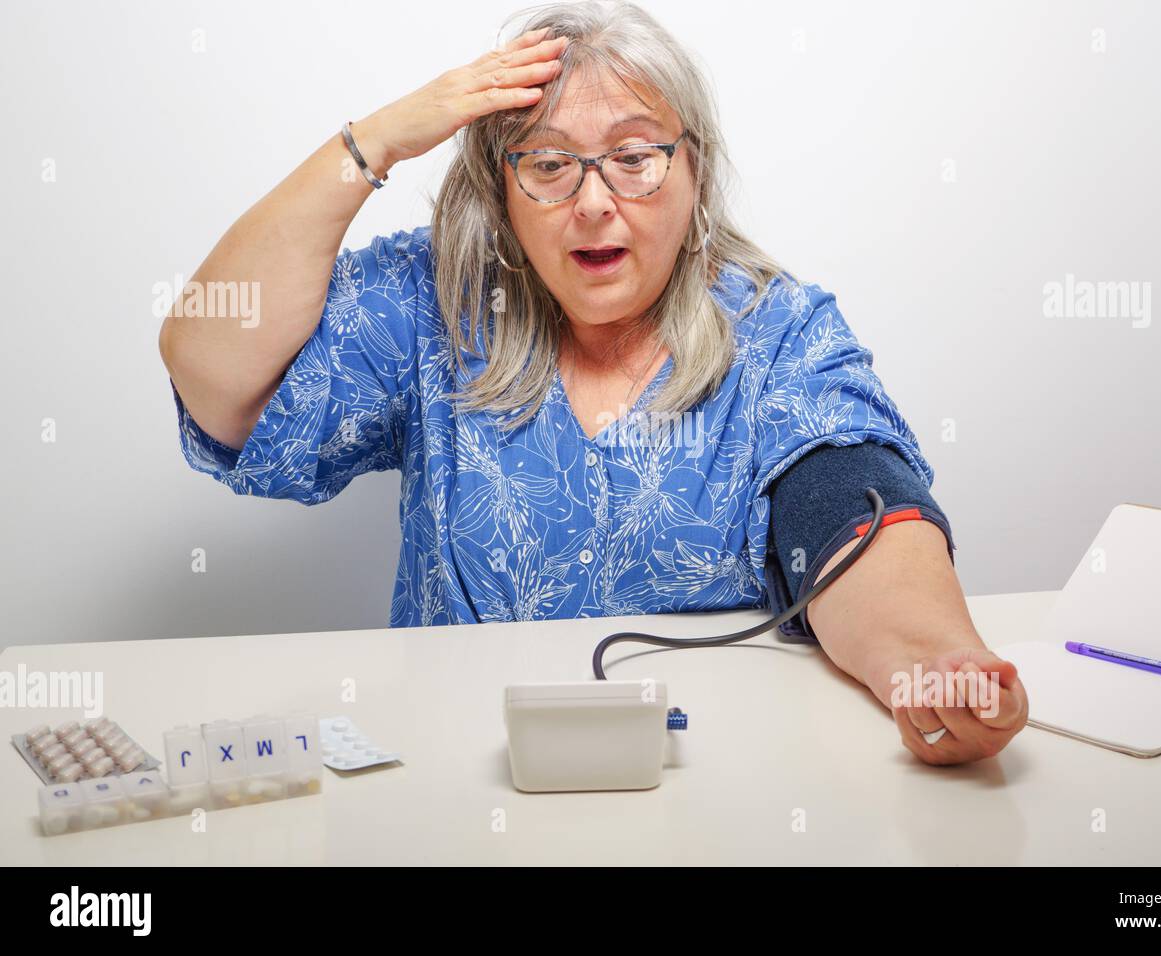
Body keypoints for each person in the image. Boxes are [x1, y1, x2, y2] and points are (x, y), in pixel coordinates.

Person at [158, 0, 1027, 765]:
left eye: (635, 155)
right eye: (546, 163)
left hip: (709, 793)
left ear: (695, 173)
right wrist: (372, 141)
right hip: (456, 791)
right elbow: (211, 369)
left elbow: (851, 511)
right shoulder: (440, 306)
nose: (594, 201)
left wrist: (934, 662)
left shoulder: (777, 332)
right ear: (501, 197)